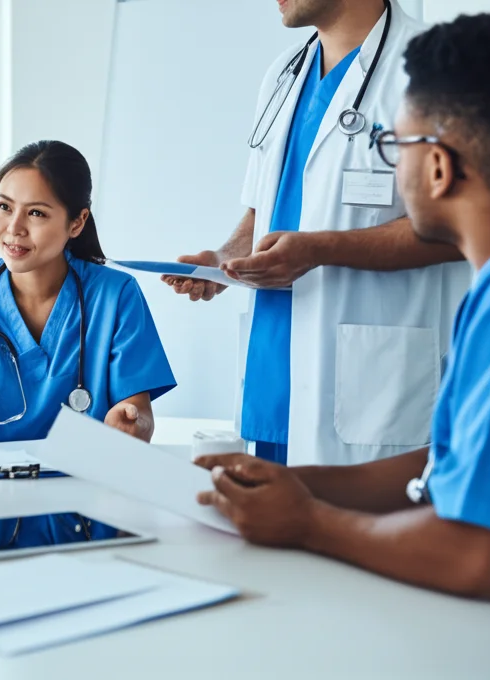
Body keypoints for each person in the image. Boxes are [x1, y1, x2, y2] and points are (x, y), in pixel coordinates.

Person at [197, 12, 490, 603]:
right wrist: (297, 489)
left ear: (436, 166)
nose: (389, 160)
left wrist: (308, 520)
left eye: (390, 144)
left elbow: (488, 557)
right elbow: (446, 466)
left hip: (369, 378)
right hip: (288, 365)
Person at [163, 0, 471, 467]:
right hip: (275, 375)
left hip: (370, 385)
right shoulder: (284, 73)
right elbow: (264, 204)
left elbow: (463, 227)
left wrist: (322, 249)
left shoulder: (433, 69)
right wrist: (224, 260)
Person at [0, 141, 175, 549]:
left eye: (37, 214)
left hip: (85, 512)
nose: (14, 229)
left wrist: (131, 425)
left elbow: (139, 418)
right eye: (4, 207)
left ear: (77, 223)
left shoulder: (116, 296)